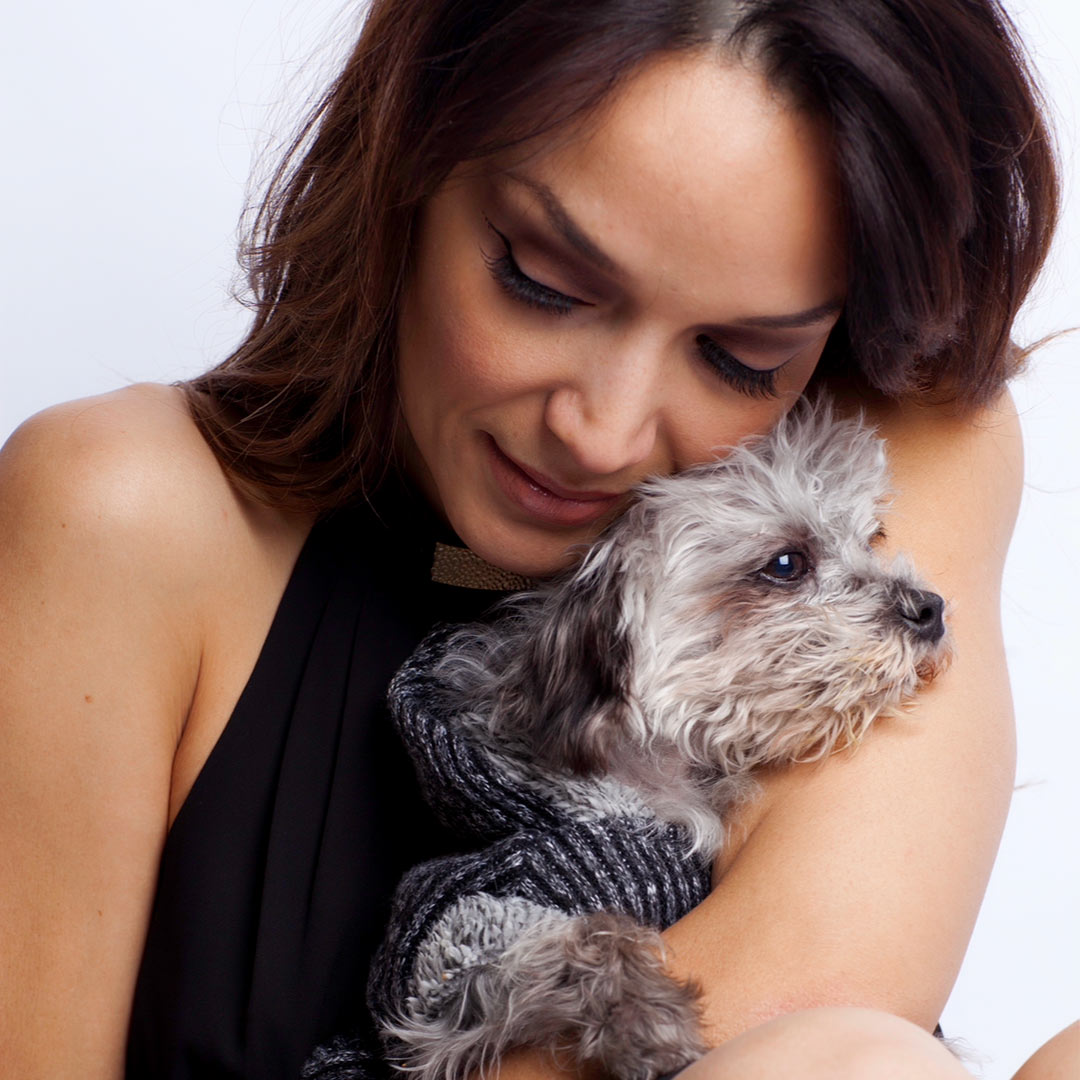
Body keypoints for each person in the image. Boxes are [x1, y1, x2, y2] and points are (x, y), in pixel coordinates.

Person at [0, 0, 1075, 1078]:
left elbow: (824, 981)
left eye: (742, 358)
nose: (600, 432)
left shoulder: (898, 433)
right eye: (543, 283)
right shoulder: (123, 510)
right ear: (408, 158)